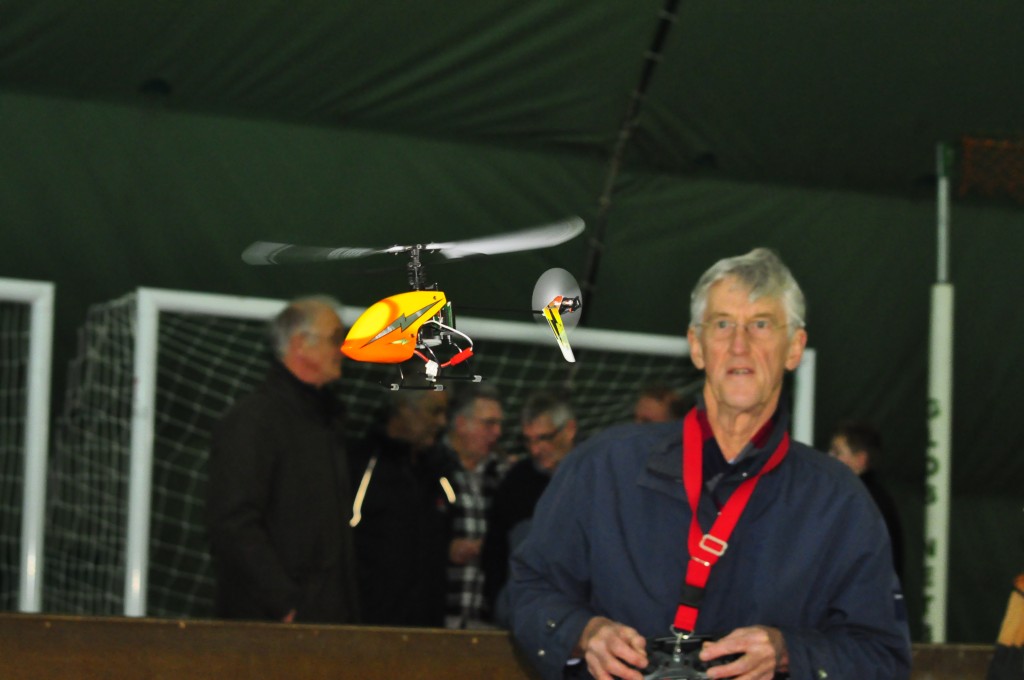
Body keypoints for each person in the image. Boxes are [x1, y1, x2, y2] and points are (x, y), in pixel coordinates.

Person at [508, 248, 911, 680]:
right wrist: (584, 633)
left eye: (761, 325)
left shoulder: (839, 501)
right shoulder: (603, 467)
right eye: (722, 324)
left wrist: (787, 652)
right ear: (697, 347)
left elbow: (882, 656)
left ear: (794, 348)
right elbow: (528, 590)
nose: (740, 345)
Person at [206, 296, 359, 624]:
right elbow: (233, 522)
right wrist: (286, 604)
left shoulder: (326, 421)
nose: (343, 350)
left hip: (322, 620)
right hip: (271, 628)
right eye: (336, 338)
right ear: (301, 343)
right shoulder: (254, 420)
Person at [347, 388, 453, 627]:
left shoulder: (438, 471)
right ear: (404, 409)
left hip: (428, 627)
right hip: (371, 626)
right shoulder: (361, 466)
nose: (442, 422)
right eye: (434, 411)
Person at [482, 391, 578, 626]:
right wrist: (501, 605)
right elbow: (494, 551)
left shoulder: (593, 475)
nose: (535, 449)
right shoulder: (516, 481)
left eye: (544, 438)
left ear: (569, 429)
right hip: (525, 614)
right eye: (529, 440)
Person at [439, 383, 508, 629]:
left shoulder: (502, 474)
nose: (497, 432)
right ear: (461, 423)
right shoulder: (432, 466)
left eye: (499, 424)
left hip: (486, 617)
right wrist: (445, 548)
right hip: (437, 612)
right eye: (489, 424)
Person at [829, 420, 905, 582]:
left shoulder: (863, 501)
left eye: (837, 452)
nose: (829, 456)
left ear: (860, 459)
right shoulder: (872, 497)